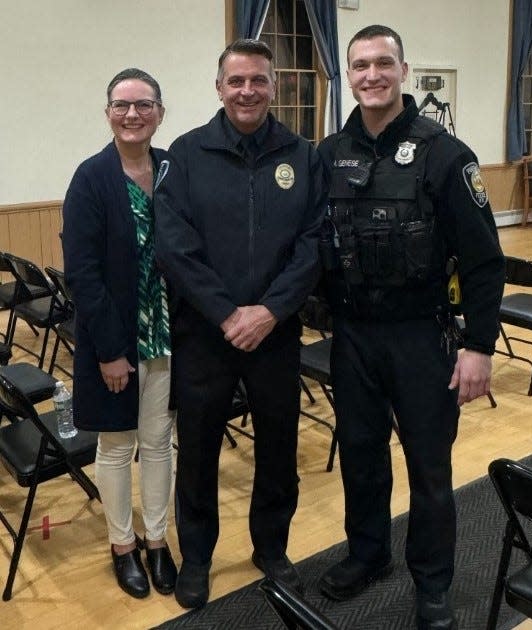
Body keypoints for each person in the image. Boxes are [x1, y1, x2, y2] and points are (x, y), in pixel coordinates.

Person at [316, 25, 504, 630]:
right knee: (361, 456)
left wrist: (477, 346)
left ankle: (433, 583)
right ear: (349, 75)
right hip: (353, 336)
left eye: (382, 64)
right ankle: (367, 554)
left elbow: (483, 260)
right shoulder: (327, 154)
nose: (371, 75)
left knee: (429, 467)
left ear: (402, 70)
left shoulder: (446, 154)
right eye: (360, 66)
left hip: (422, 336)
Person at [154, 39, 327, 609]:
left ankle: (271, 549)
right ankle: (198, 557)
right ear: (219, 87)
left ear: (274, 86)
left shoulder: (302, 155)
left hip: (276, 334)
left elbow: (312, 243)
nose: (247, 90)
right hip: (206, 334)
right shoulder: (185, 153)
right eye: (236, 81)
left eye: (258, 80)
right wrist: (228, 314)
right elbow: (175, 247)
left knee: (279, 445)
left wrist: (271, 310)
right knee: (199, 449)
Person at [62, 68, 177, 599]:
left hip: (168, 336)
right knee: (115, 447)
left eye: (144, 104)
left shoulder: (174, 170)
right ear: (107, 111)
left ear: (160, 112)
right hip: (116, 341)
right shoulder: (90, 178)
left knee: (159, 443)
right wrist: (109, 351)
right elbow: (82, 274)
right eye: (122, 104)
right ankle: (122, 543)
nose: (133, 114)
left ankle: (157, 539)